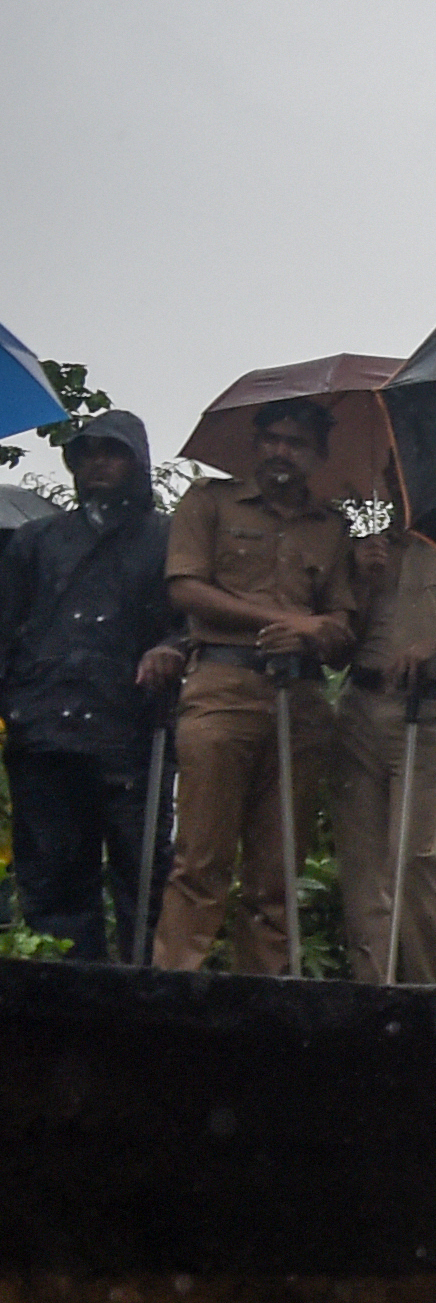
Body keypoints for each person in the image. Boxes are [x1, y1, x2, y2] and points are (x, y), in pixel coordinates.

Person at [155, 393, 369, 974]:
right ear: (254, 444)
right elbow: (185, 589)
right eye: (271, 439)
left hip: (300, 700)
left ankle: (266, 998)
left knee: (277, 872)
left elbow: (341, 624)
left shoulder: (331, 527)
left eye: (296, 443)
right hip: (222, 687)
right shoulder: (210, 502)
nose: (281, 452)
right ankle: (174, 990)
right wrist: (285, 622)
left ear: (317, 455)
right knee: (200, 859)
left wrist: (319, 632)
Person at [0, 406, 183, 960]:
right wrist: (16, 701)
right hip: (43, 733)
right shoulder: (36, 541)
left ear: (137, 461)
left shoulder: (170, 539)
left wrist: (172, 648)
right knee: (51, 883)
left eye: (112, 452)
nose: (98, 463)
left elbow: (192, 620)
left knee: (144, 880)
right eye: (87, 453)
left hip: (131, 731)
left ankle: (142, 998)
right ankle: (63, 1000)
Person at [331, 526, 436, 985]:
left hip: (428, 710)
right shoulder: (367, 550)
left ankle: (430, 991)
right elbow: (335, 649)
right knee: (361, 863)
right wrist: (364, 581)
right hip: (360, 706)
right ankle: (372, 988)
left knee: (415, 854)